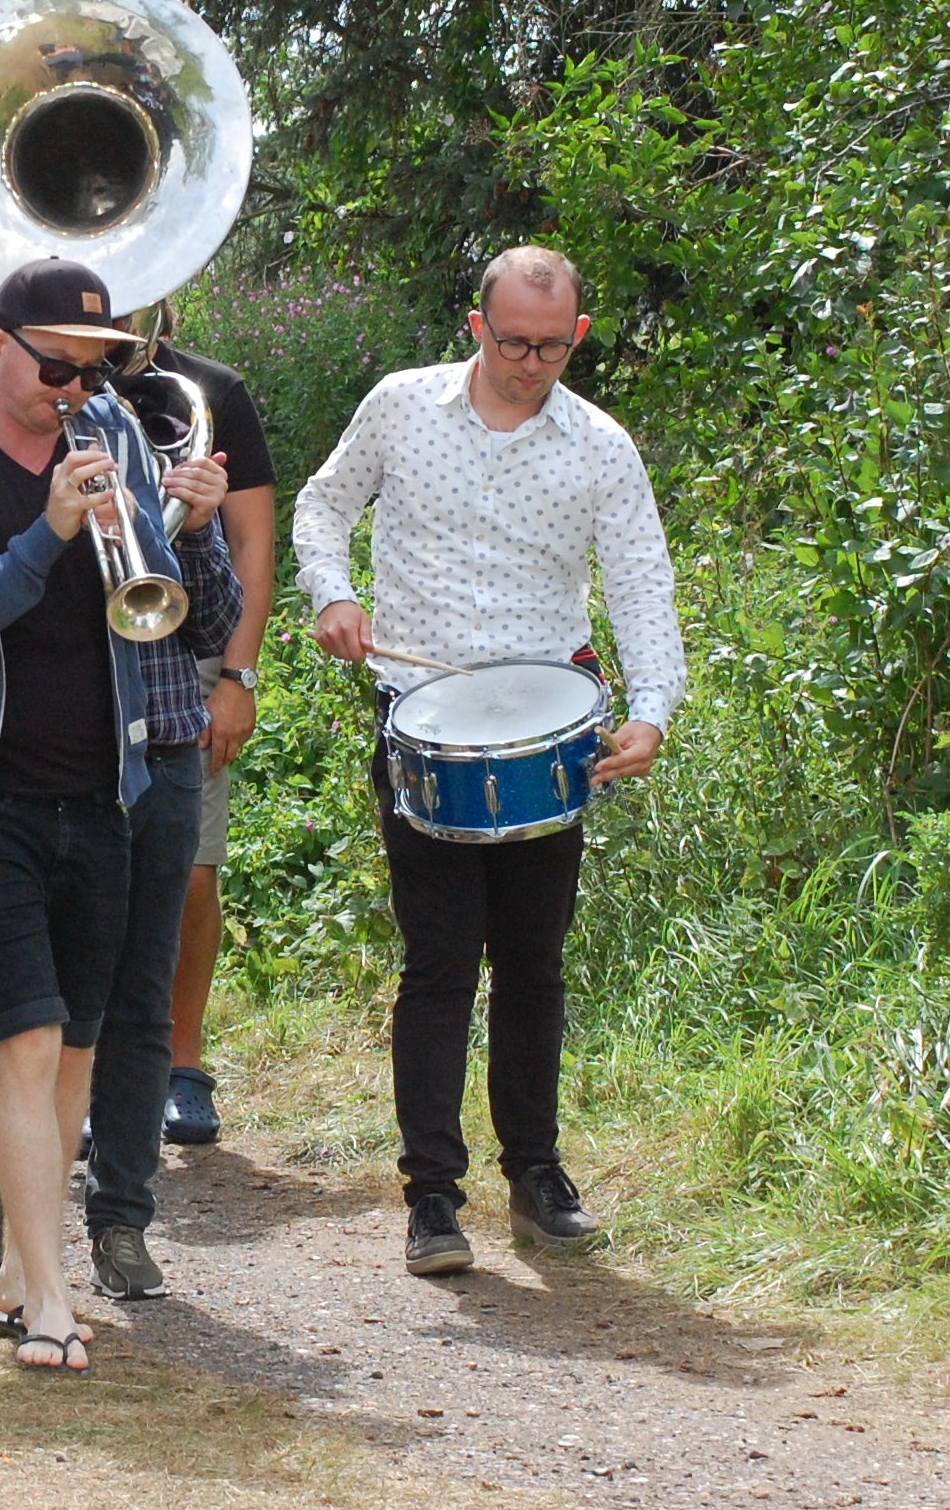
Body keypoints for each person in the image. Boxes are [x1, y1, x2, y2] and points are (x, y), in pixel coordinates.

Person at [292, 244, 684, 1275]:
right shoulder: (399, 406)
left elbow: (641, 579)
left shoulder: (600, 446)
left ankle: (534, 1169)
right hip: (419, 720)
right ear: (475, 326)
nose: (530, 361)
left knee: (533, 961)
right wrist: (332, 592)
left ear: (578, 337)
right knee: (437, 958)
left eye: (552, 345)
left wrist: (650, 709)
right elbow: (321, 505)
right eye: (512, 340)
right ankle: (430, 1194)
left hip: (547, 732)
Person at [0, 256, 219, 1371]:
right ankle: (47, 1300)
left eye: (93, 367)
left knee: (73, 1040)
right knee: (24, 1034)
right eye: (54, 364)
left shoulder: (113, 431)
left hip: (105, 781)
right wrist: (47, 532)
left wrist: (185, 526)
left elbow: (160, 604)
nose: (73, 387)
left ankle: (23, 1263)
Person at [0, 352, 243, 1302]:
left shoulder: (151, 424)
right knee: (33, 1003)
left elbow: (215, 622)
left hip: (162, 750)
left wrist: (195, 525)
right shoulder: (43, 438)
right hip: (68, 759)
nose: (87, 370)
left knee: (138, 997)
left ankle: (119, 1217)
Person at [124, 332, 280, 1147]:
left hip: (191, 651)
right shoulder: (46, 382)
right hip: (75, 653)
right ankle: (94, 1068)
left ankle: (182, 1064)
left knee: (189, 871)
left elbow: (253, 541)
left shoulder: (208, 391)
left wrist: (238, 676)